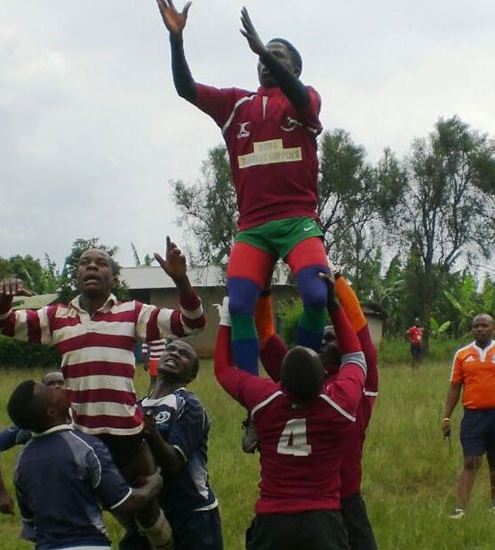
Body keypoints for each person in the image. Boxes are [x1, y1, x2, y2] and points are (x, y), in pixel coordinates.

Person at [156, 2, 330, 393]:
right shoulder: (236, 105)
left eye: (278, 55)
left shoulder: (306, 101)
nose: (267, 61)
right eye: (264, 56)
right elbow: (185, 89)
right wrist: (176, 38)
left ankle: (304, 380)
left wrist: (262, 48)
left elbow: (301, 95)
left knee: (317, 294)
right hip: (252, 228)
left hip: (298, 221)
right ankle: (256, 397)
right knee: (238, 307)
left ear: (295, 68)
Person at [0, 237, 205, 550]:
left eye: (101, 263)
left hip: (128, 439)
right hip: (80, 441)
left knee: (149, 517)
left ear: (112, 277)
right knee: (88, 517)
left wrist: (180, 279)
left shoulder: (133, 313)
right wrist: (2, 299)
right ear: (76, 276)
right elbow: (1, 325)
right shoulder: (56, 317)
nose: (92, 265)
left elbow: (193, 322)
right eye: (85, 262)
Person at [213, 273, 367, 550]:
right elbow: (356, 356)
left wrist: (227, 316)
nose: (319, 342)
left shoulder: (265, 400)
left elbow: (224, 369)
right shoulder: (341, 403)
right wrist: (332, 303)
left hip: (276, 519)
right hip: (323, 519)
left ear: (280, 377)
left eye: (329, 338)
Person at [254, 273, 379, 549]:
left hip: (345, 500)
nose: (322, 341)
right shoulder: (296, 381)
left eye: (332, 337)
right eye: (320, 337)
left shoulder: (360, 384)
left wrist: (334, 278)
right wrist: (263, 289)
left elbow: (361, 337)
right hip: (297, 509)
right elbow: (265, 336)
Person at [7, 378, 164, 550]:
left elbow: (30, 523)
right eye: (51, 390)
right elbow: (124, 504)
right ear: (51, 412)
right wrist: (154, 483)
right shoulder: (86, 447)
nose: (57, 386)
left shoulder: (21, 463)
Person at [121, 339, 223, 550]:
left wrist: (149, 432)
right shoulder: (136, 406)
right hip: (148, 513)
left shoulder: (189, 404)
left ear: (191, 376)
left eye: (184, 354)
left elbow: (174, 464)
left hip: (191, 516)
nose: (174, 354)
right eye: (170, 349)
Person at [441, 313, 495, 519]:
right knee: (470, 461)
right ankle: (461, 508)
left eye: (484, 325)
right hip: (472, 416)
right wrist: (446, 417)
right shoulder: (462, 355)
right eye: (475, 326)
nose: (479, 329)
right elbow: (455, 387)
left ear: (493, 328)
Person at [0, 371, 65, 516]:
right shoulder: (29, 427)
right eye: (50, 384)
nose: (56, 387)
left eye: (61, 383)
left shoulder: (81, 418)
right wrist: (1, 493)